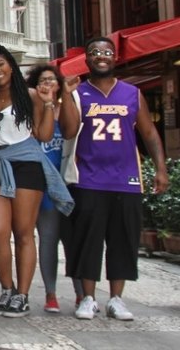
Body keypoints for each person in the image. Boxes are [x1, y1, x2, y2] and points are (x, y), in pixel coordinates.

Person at [59, 37, 169, 321]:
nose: (101, 56)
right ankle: (88, 298)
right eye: (95, 52)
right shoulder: (78, 93)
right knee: (88, 241)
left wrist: (161, 168)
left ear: (115, 58)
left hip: (126, 180)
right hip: (89, 179)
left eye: (107, 52)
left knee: (123, 241)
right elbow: (69, 131)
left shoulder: (132, 93)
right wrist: (65, 93)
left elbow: (149, 134)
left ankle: (116, 299)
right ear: (87, 60)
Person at [0, 44, 73, 318]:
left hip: (27, 164)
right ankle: (7, 288)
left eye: (1, 64)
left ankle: (23, 294)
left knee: (23, 233)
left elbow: (43, 135)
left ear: (11, 64)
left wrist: (46, 103)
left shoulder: (29, 94)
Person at [25, 64, 84, 313]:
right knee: (48, 240)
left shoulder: (68, 105)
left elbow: (72, 131)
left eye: (52, 79)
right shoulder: (31, 111)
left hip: (69, 183)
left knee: (74, 242)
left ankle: (82, 294)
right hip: (44, 186)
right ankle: (51, 294)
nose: (48, 83)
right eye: (42, 80)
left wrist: (66, 96)